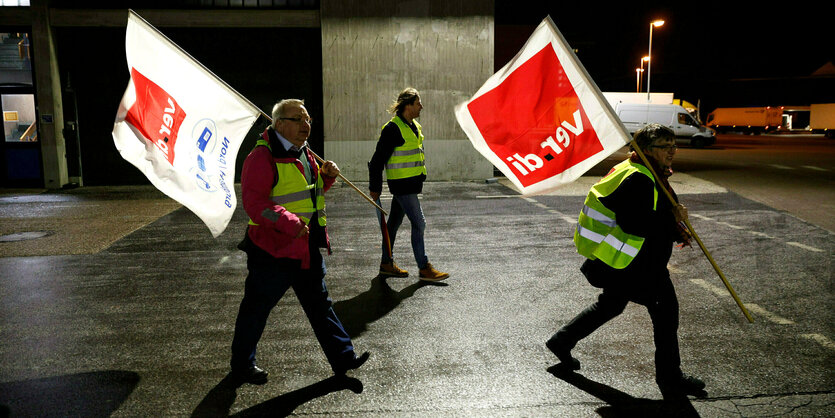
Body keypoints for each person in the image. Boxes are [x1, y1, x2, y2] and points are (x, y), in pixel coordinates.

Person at [546, 123, 705, 399]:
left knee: (611, 305)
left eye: (673, 145)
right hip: (641, 266)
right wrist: (673, 219)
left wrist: (672, 219)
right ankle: (670, 378)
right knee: (666, 315)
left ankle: (561, 341)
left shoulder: (637, 169)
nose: (671, 151)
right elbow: (635, 223)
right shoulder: (639, 179)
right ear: (645, 150)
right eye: (664, 147)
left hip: (624, 262)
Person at [230, 99, 369, 384]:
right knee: (256, 310)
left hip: (304, 248)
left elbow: (309, 195)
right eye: (298, 120)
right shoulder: (261, 157)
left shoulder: (304, 153)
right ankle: (242, 366)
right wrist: (289, 222)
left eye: (307, 120)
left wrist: (326, 179)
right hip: (272, 250)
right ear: (279, 124)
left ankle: (344, 358)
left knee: (321, 306)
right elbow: (256, 205)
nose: (306, 126)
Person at [368, 87, 449, 282]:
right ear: (408, 105)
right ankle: (424, 268)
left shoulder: (414, 126)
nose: (422, 106)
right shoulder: (393, 129)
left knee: (393, 224)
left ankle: (386, 263)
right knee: (419, 223)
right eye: (418, 102)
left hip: (410, 185)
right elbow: (377, 160)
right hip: (402, 186)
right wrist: (375, 187)